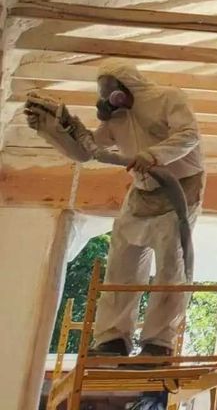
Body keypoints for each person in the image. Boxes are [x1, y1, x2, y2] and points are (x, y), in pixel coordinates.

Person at [25, 60, 204, 359]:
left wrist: (154, 155)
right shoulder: (118, 119)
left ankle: (158, 344)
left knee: (171, 265)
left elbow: (189, 135)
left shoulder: (169, 98)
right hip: (142, 188)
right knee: (122, 261)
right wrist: (56, 131)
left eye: (112, 90)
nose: (110, 98)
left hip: (180, 187)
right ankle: (113, 339)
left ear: (127, 86)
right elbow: (88, 151)